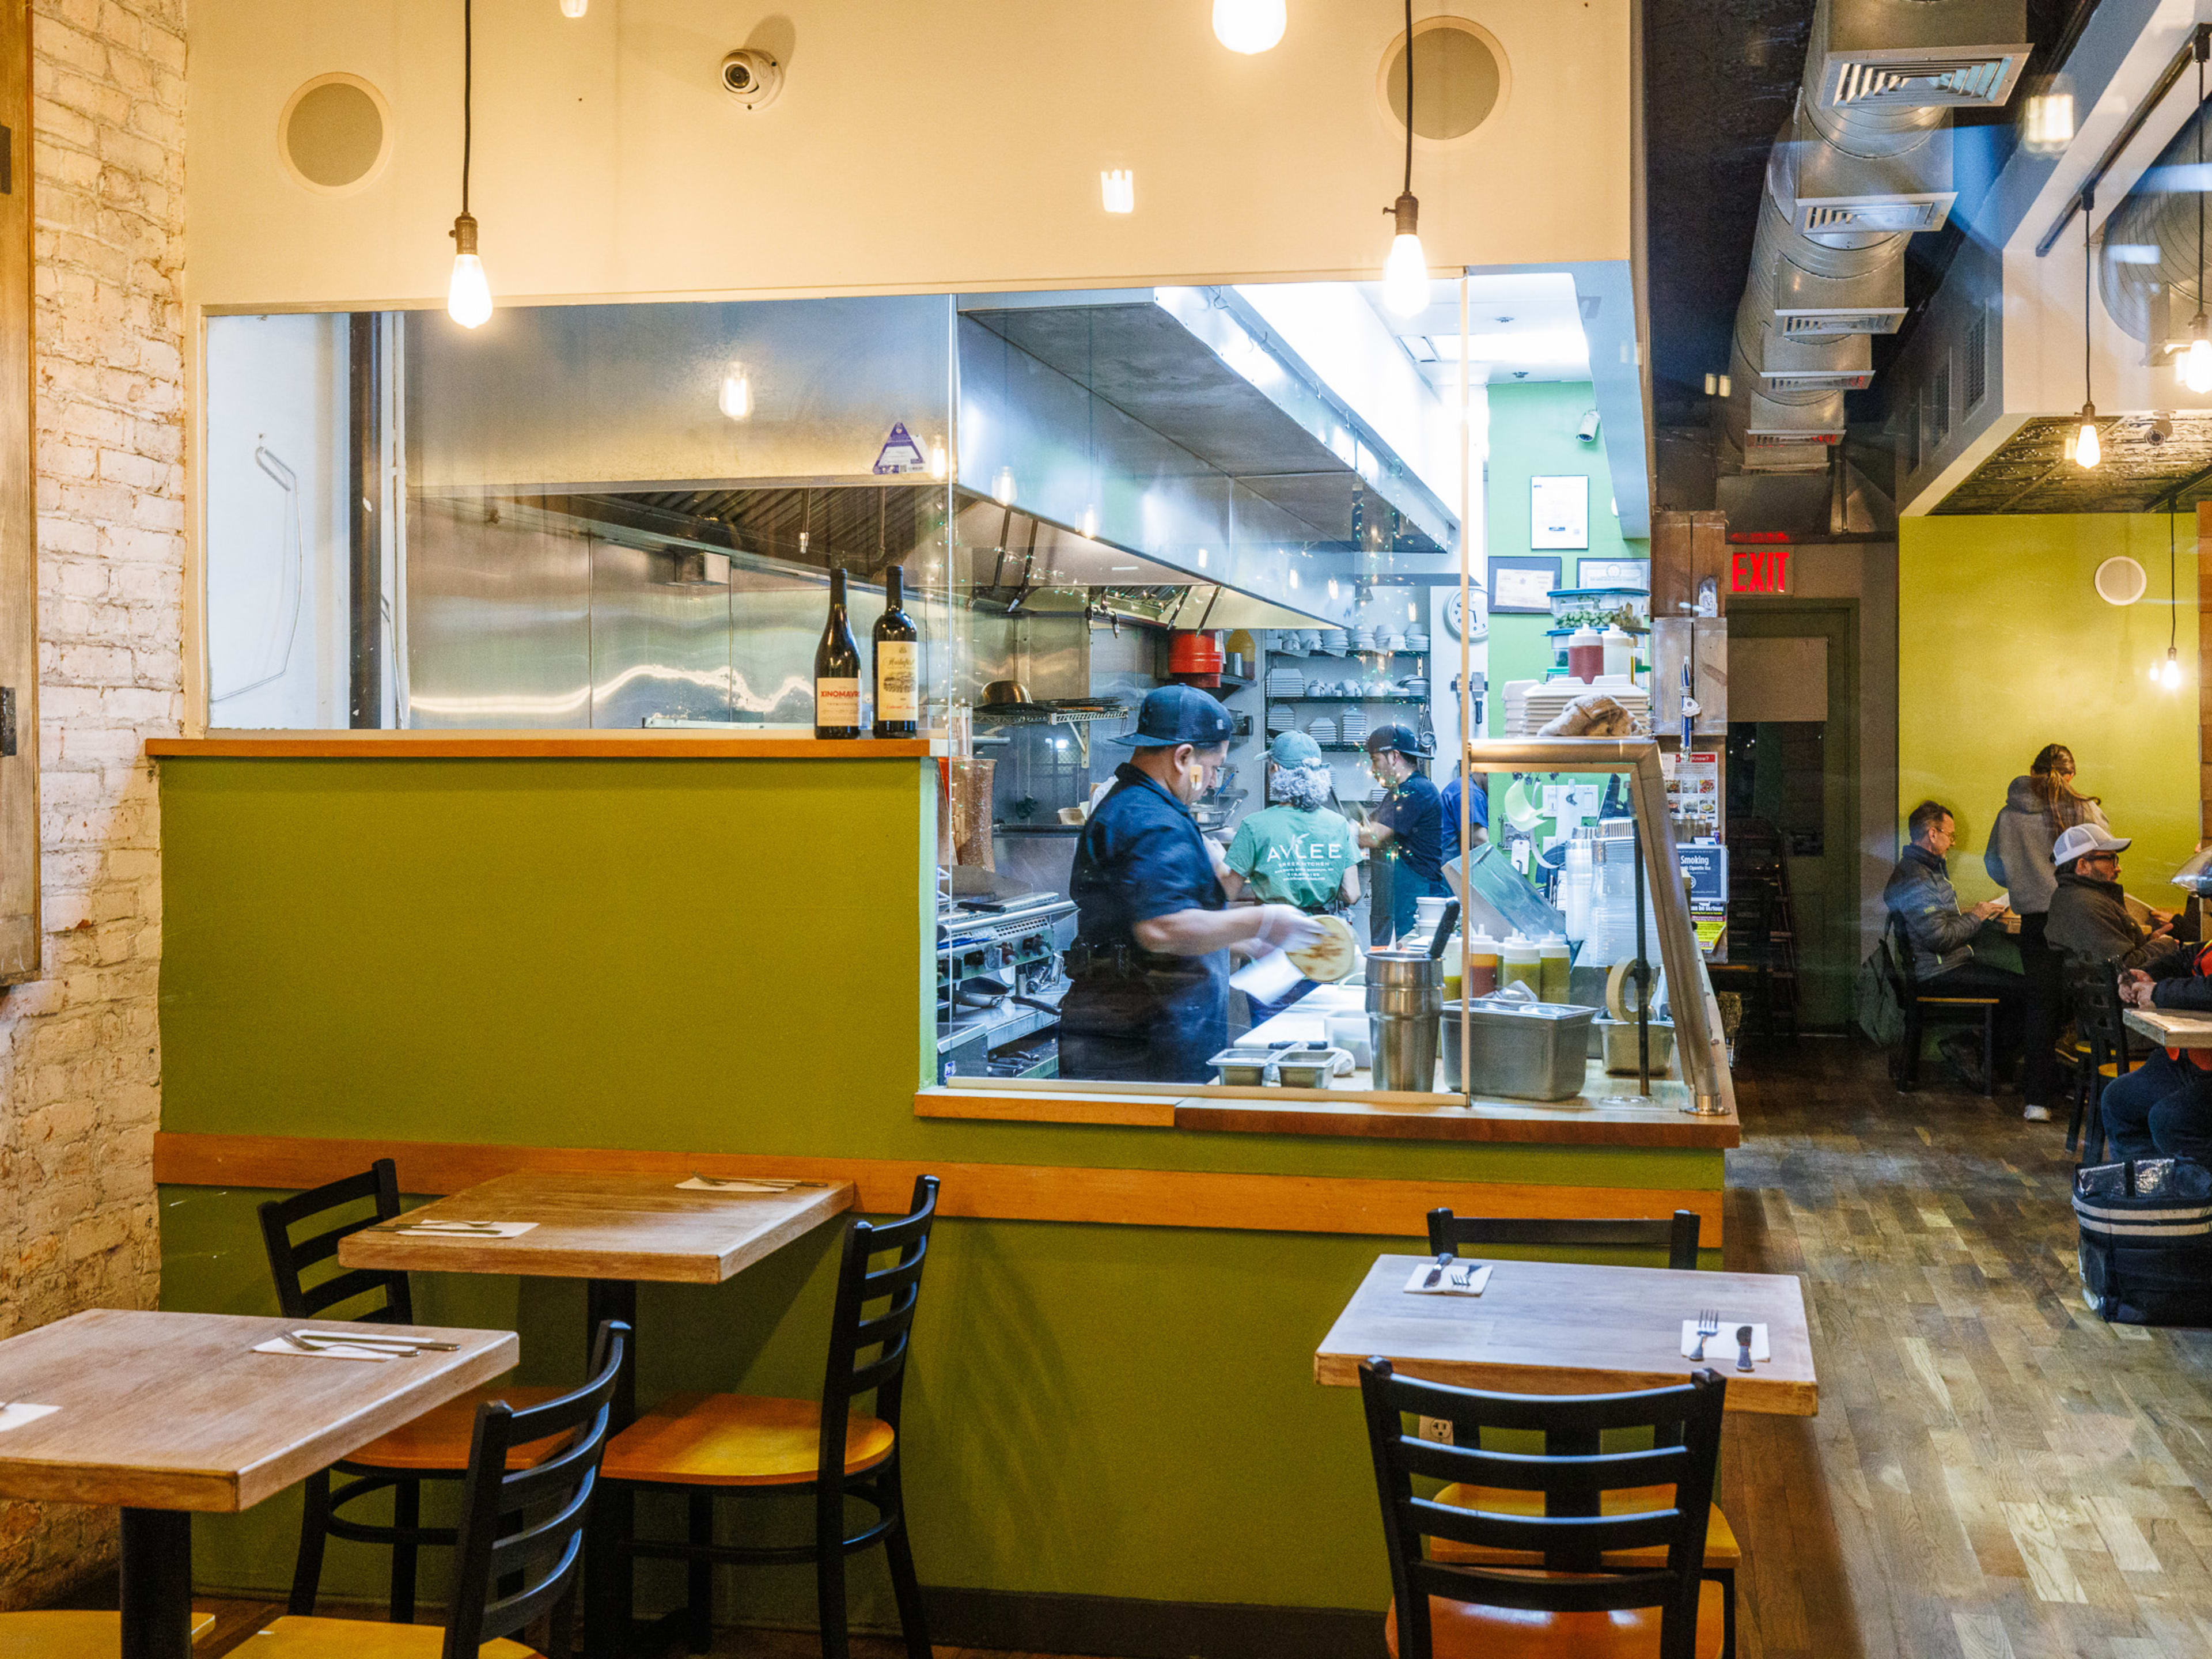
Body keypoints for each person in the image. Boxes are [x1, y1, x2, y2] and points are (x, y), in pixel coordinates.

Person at [1060, 685, 1325, 1083]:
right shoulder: (1150, 819)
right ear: (1183, 757)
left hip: (1145, 1034)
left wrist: (1238, 941)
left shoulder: (1145, 806)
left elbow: (1153, 915)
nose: (1214, 782)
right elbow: (1161, 928)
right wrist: (1265, 920)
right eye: (1215, 768)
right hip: (1139, 1047)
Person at [1986, 744, 2109, 1123]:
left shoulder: (2009, 815)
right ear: (2071, 775)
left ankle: (2037, 1100)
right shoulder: (2085, 809)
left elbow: (1994, 864)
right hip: (2078, 916)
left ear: (2032, 770)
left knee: (2041, 1006)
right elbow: (2106, 861)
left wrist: (2025, 884)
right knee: (2093, 1003)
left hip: (2036, 921)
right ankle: (2095, 1096)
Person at [1884, 799, 2022, 1094]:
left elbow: (1937, 923)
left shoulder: (1923, 869)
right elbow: (1940, 938)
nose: (1952, 842)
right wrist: (1977, 916)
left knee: (2020, 989)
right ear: (1932, 834)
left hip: (1941, 965)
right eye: (1950, 835)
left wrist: (1978, 914)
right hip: (1938, 972)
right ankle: (1974, 1051)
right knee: (2024, 991)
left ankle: (1977, 1051)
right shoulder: (1918, 877)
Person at [1225, 732, 1361, 1024]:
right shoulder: (1338, 825)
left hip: (1273, 944)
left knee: (1270, 1035)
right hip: (1323, 944)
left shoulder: (1254, 826)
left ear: (1275, 770)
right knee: (1319, 1033)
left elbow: (1227, 891)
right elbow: (1351, 892)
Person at [2108, 943, 2212, 1164]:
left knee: (2169, 1119)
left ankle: (2193, 1192)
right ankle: (2147, 1186)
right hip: (2191, 1058)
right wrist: (2147, 975)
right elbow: (2188, 957)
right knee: (2118, 1099)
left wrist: (2158, 991)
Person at [2044, 823, 2181, 977]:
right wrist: (2162, 946)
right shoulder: (2087, 905)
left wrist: (2148, 941)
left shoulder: (2080, 897)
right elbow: (2122, 968)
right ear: (2083, 866)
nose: (2118, 868)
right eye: (2111, 859)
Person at [1356, 724, 1449, 948]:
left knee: (1413, 967)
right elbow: (1370, 826)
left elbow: (1372, 836)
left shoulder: (1414, 791)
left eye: (1375, 760)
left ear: (1394, 756)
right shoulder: (1399, 793)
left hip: (1418, 899)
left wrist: (1340, 829)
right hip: (1402, 897)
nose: (1373, 768)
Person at [1439, 764, 1490, 864]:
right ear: (1485, 771)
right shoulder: (1470, 792)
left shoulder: (1463, 786)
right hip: (1448, 867)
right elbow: (1479, 838)